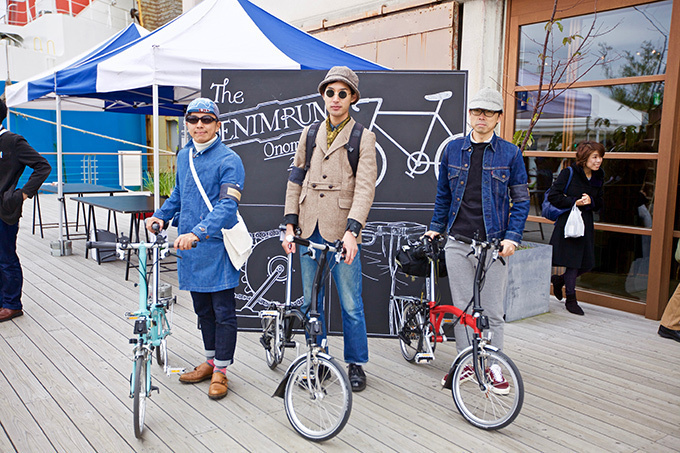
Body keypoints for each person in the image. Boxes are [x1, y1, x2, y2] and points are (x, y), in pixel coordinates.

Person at [425, 87, 530, 393]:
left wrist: (512, 237)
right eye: (476, 111)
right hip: (457, 242)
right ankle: (466, 360)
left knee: (493, 311)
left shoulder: (510, 154)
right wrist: (435, 226)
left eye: (488, 112)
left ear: (498, 117)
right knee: (463, 309)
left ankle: (494, 364)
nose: (481, 117)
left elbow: (521, 201)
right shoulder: (452, 150)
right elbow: (443, 195)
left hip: (494, 244)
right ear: (469, 115)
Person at [281, 66, 377, 392]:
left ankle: (355, 363)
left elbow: (365, 189)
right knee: (311, 301)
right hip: (309, 227)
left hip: (341, 229)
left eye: (342, 93)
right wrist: (289, 223)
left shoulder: (363, 137)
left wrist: (353, 230)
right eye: (330, 92)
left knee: (351, 302)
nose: (335, 99)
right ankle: (317, 358)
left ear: (352, 98)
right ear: (323, 95)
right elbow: (295, 178)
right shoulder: (308, 134)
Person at [145, 98, 245, 400]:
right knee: (203, 311)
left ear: (217, 124)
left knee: (223, 312)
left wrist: (198, 232)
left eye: (206, 119)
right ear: (187, 124)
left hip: (215, 246)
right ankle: (210, 361)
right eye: (192, 119)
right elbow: (178, 193)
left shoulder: (230, 159)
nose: (198, 125)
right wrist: (161, 216)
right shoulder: (185, 153)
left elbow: (228, 207)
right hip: (190, 248)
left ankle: (222, 371)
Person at [0, 98, 51, 323]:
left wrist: (21, 194)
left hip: (4, 209)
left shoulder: (12, 141)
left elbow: (43, 166)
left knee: (6, 257)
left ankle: (12, 304)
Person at [548, 141, 604, 316]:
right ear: (584, 157)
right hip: (569, 222)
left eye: (601, 157)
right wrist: (575, 202)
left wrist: (591, 202)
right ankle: (570, 299)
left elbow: (600, 204)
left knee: (587, 264)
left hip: (586, 223)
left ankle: (559, 280)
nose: (599, 161)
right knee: (573, 263)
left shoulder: (598, 176)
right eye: (595, 157)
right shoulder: (569, 173)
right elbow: (553, 196)